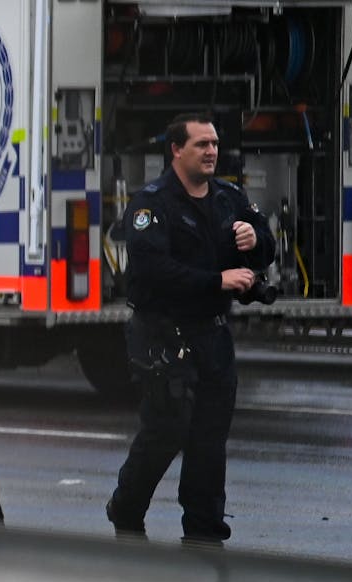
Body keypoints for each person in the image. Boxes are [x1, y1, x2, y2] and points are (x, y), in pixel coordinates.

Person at [107, 113, 275, 547]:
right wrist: (216, 281)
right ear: (176, 150)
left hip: (213, 335)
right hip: (164, 334)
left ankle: (204, 532)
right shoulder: (151, 204)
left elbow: (266, 245)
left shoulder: (227, 198)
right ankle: (127, 508)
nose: (211, 151)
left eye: (215, 144)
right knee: (167, 429)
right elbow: (152, 268)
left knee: (208, 437)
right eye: (201, 144)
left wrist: (255, 240)